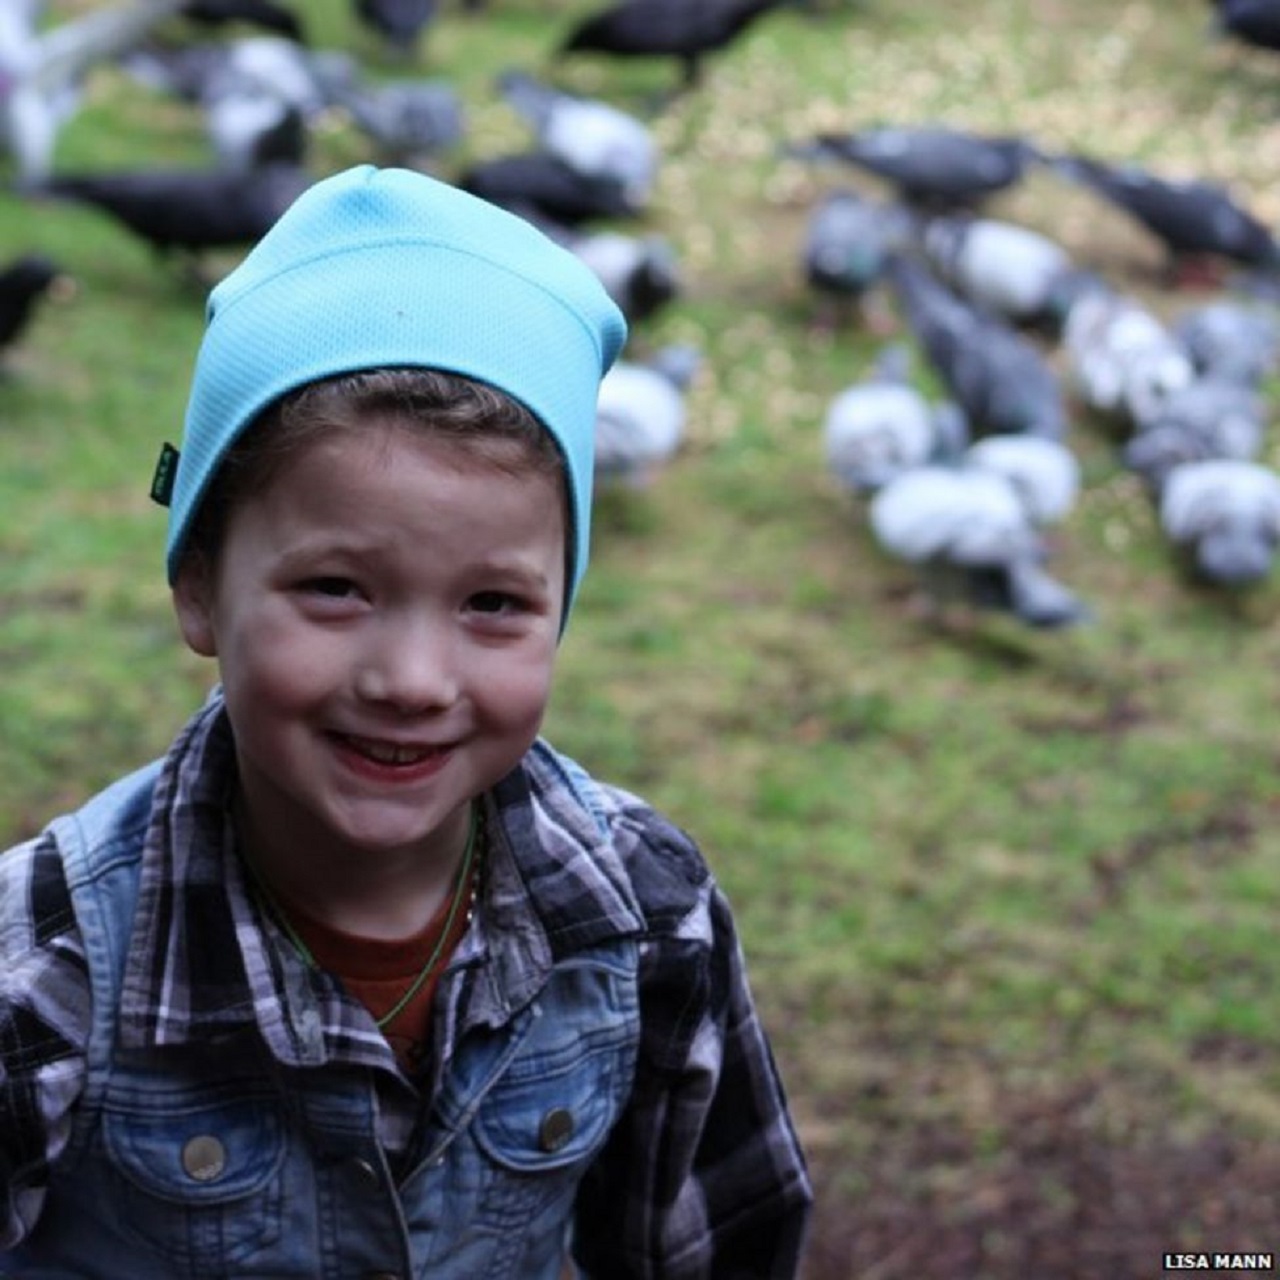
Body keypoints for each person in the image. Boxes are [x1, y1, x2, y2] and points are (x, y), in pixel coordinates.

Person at [0, 165, 812, 1278]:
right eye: (336, 586)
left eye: (492, 603)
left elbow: (718, 1239)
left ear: (558, 608)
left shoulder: (646, 916)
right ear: (199, 583)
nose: (414, 679)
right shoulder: (44, 973)